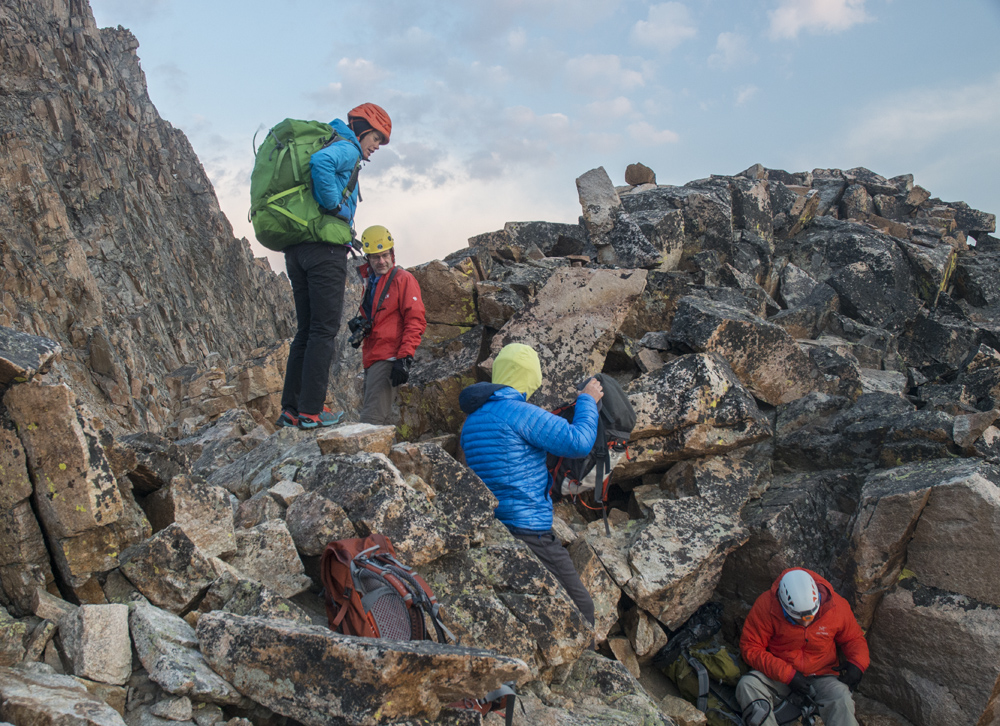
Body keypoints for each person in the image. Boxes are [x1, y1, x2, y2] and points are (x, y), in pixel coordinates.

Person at [458, 343, 603, 626]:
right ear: (530, 377)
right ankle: (587, 666)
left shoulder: (473, 420)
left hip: (494, 528)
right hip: (529, 529)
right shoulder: (520, 412)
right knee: (581, 607)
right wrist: (587, 400)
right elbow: (579, 442)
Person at [277, 103, 392, 429]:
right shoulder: (345, 148)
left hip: (297, 249)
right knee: (323, 331)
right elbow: (321, 163)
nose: (376, 146)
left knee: (306, 330)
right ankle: (311, 411)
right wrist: (336, 205)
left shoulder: (331, 140)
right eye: (376, 138)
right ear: (362, 130)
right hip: (324, 250)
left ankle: (291, 407)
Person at [736, 568, 869, 726]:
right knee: (748, 686)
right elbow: (750, 648)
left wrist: (858, 663)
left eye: (811, 616)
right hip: (780, 675)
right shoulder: (766, 606)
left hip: (823, 674)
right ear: (784, 605)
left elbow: (853, 638)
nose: (806, 623)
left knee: (842, 699)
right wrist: (787, 675)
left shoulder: (836, 606)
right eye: (798, 619)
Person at [353, 225, 426, 425]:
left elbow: (415, 320)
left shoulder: (403, 279)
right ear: (367, 258)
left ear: (392, 253)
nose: (382, 261)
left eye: (385, 255)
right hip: (373, 356)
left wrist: (404, 358)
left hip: (388, 356)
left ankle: (370, 456)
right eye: (375, 257)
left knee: (371, 421)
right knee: (374, 418)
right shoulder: (371, 282)